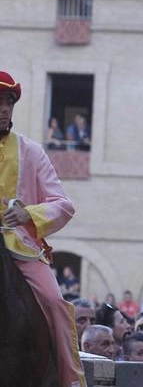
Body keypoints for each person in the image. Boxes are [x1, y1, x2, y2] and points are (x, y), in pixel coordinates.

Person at [0, 71, 86, 387]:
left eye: (8, 102)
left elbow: (63, 204)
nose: (4, 109)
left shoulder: (31, 151)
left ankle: (70, 381)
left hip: (20, 247)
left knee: (54, 302)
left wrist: (27, 214)